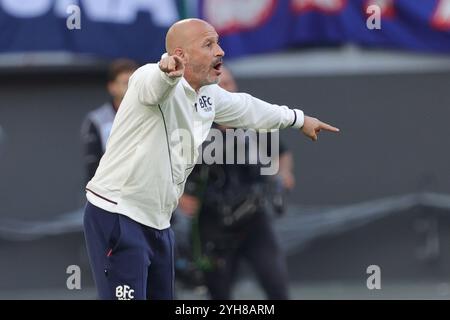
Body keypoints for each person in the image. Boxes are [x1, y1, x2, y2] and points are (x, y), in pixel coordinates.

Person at [83, 18, 339, 300]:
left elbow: (248, 108)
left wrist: (299, 119)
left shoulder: (209, 95)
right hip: (118, 213)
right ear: (180, 55)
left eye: (217, 42)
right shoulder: (148, 77)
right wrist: (166, 72)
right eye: (209, 44)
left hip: (158, 222)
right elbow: (152, 84)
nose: (220, 51)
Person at [178, 67, 295, 299]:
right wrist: (180, 196)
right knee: (219, 292)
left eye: (229, 84)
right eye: (220, 86)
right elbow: (170, 165)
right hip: (212, 221)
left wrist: (283, 175)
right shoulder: (193, 127)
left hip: (253, 217)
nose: (226, 89)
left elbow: (282, 153)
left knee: (276, 282)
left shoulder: (254, 122)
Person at [81, 59, 138, 182]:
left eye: (134, 82)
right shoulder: (97, 120)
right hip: (109, 192)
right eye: (125, 83)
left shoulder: (151, 115)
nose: (130, 88)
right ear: (112, 87)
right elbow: (92, 163)